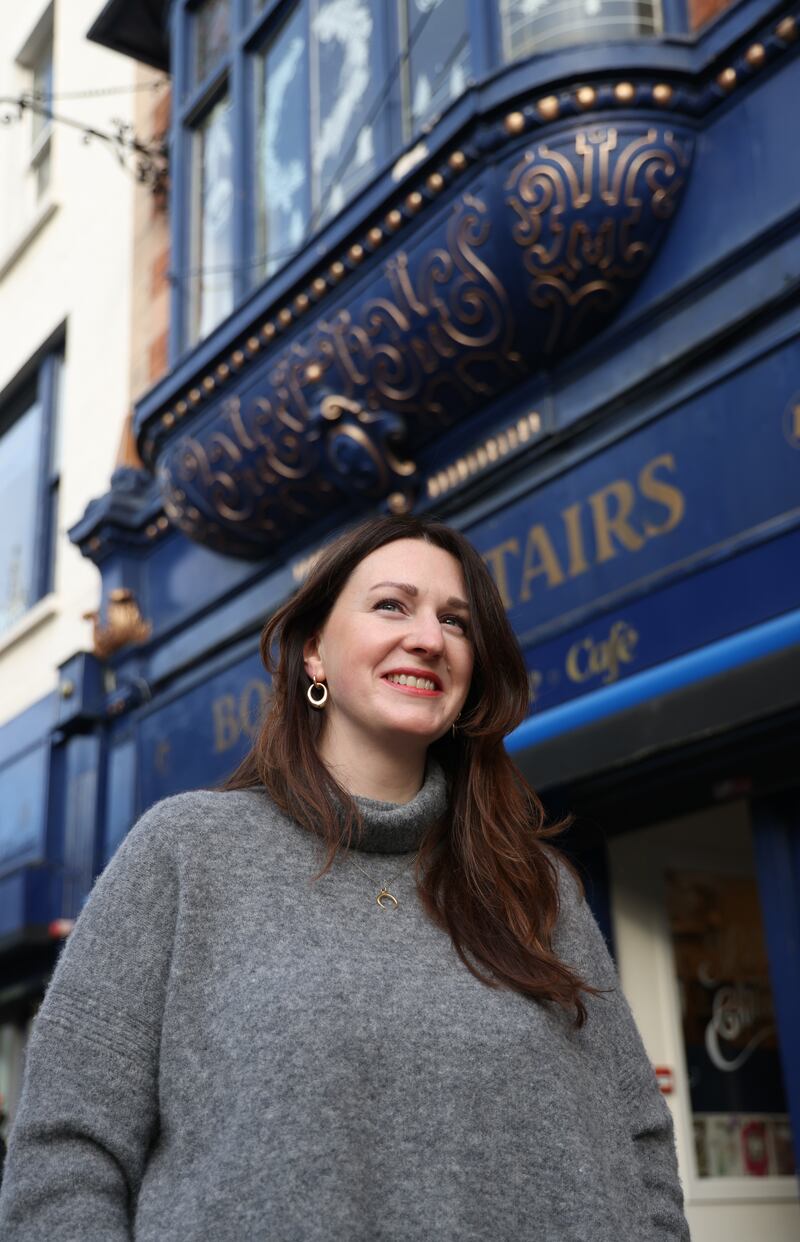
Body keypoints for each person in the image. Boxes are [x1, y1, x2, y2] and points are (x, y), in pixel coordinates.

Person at [0, 514, 689, 1240]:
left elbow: (639, 1142)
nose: (429, 638)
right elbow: (63, 1154)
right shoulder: (187, 852)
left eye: (456, 622)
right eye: (392, 605)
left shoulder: (536, 886)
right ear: (314, 654)